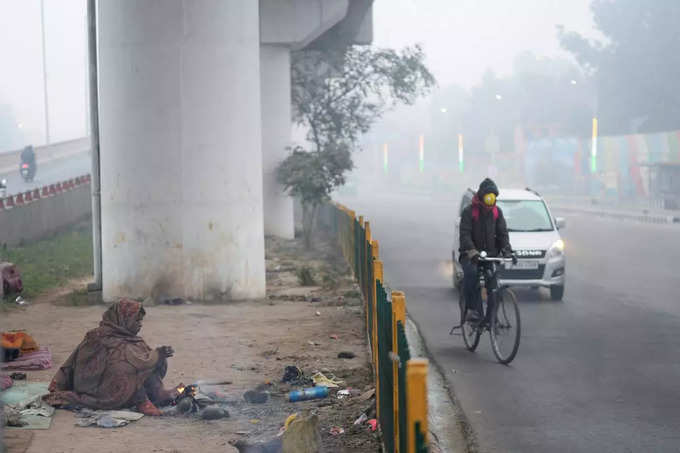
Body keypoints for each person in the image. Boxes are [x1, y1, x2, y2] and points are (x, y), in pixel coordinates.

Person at [45, 299, 181, 416]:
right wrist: (153, 356)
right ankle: (141, 401)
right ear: (123, 319)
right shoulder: (97, 336)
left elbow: (143, 360)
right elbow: (74, 364)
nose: (140, 324)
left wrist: (160, 355)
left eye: (141, 321)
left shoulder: (132, 339)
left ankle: (158, 393)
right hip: (96, 387)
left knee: (141, 362)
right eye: (136, 320)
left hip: (113, 384)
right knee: (126, 368)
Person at [459, 178, 513, 324]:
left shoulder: (497, 213)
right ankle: (472, 310)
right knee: (472, 275)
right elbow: (464, 235)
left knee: (494, 284)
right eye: (488, 197)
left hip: (490, 256)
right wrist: (472, 251)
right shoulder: (469, 212)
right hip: (470, 255)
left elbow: (502, 234)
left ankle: (492, 315)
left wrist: (507, 250)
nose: (490, 201)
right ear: (482, 197)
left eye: (493, 198)